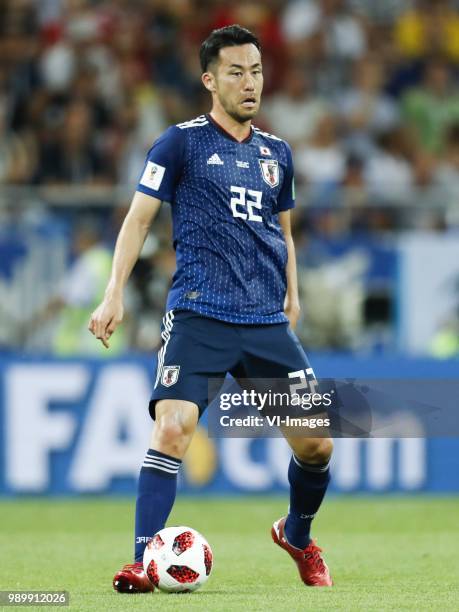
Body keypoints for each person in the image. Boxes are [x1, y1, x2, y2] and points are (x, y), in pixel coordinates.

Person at [88, 25, 333, 592]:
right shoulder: (180, 143)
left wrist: (292, 296)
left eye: (256, 72)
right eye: (235, 73)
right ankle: (141, 560)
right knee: (173, 427)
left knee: (317, 443)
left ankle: (297, 534)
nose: (250, 84)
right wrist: (113, 291)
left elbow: (284, 233)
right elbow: (138, 220)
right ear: (209, 80)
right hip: (199, 312)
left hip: (264, 319)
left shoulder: (279, 153)